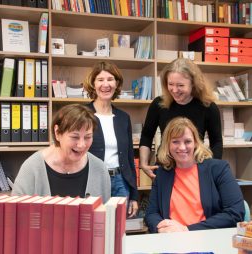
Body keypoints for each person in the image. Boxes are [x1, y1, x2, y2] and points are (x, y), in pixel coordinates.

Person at [145, 117, 244, 233]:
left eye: (187, 141)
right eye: (175, 141)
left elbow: (235, 212)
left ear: (196, 143)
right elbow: (151, 213)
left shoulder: (219, 169)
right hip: (171, 239)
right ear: (167, 145)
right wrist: (161, 228)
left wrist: (186, 229)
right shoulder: (162, 174)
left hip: (208, 238)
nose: (182, 147)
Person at [140, 58, 223, 179]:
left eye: (180, 85)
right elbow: (147, 135)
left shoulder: (208, 107)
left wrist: (213, 168)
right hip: (165, 167)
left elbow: (216, 142)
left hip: (197, 168)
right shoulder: (158, 104)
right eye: (170, 84)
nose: (174, 90)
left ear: (193, 84)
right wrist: (143, 164)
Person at [12, 104, 111, 203]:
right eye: (75, 137)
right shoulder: (32, 168)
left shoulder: (99, 169)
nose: (81, 145)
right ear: (57, 133)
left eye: (88, 137)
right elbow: (15, 213)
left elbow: (105, 214)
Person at [84, 61, 138, 217]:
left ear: (117, 84)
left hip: (120, 182)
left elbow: (129, 157)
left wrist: (134, 195)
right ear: (93, 84)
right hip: (93, 180)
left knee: (118, 229)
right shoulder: (83, 114)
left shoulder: (123, 118)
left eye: (110, 79)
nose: (105, 84)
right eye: (100, 80)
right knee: (93, 226)